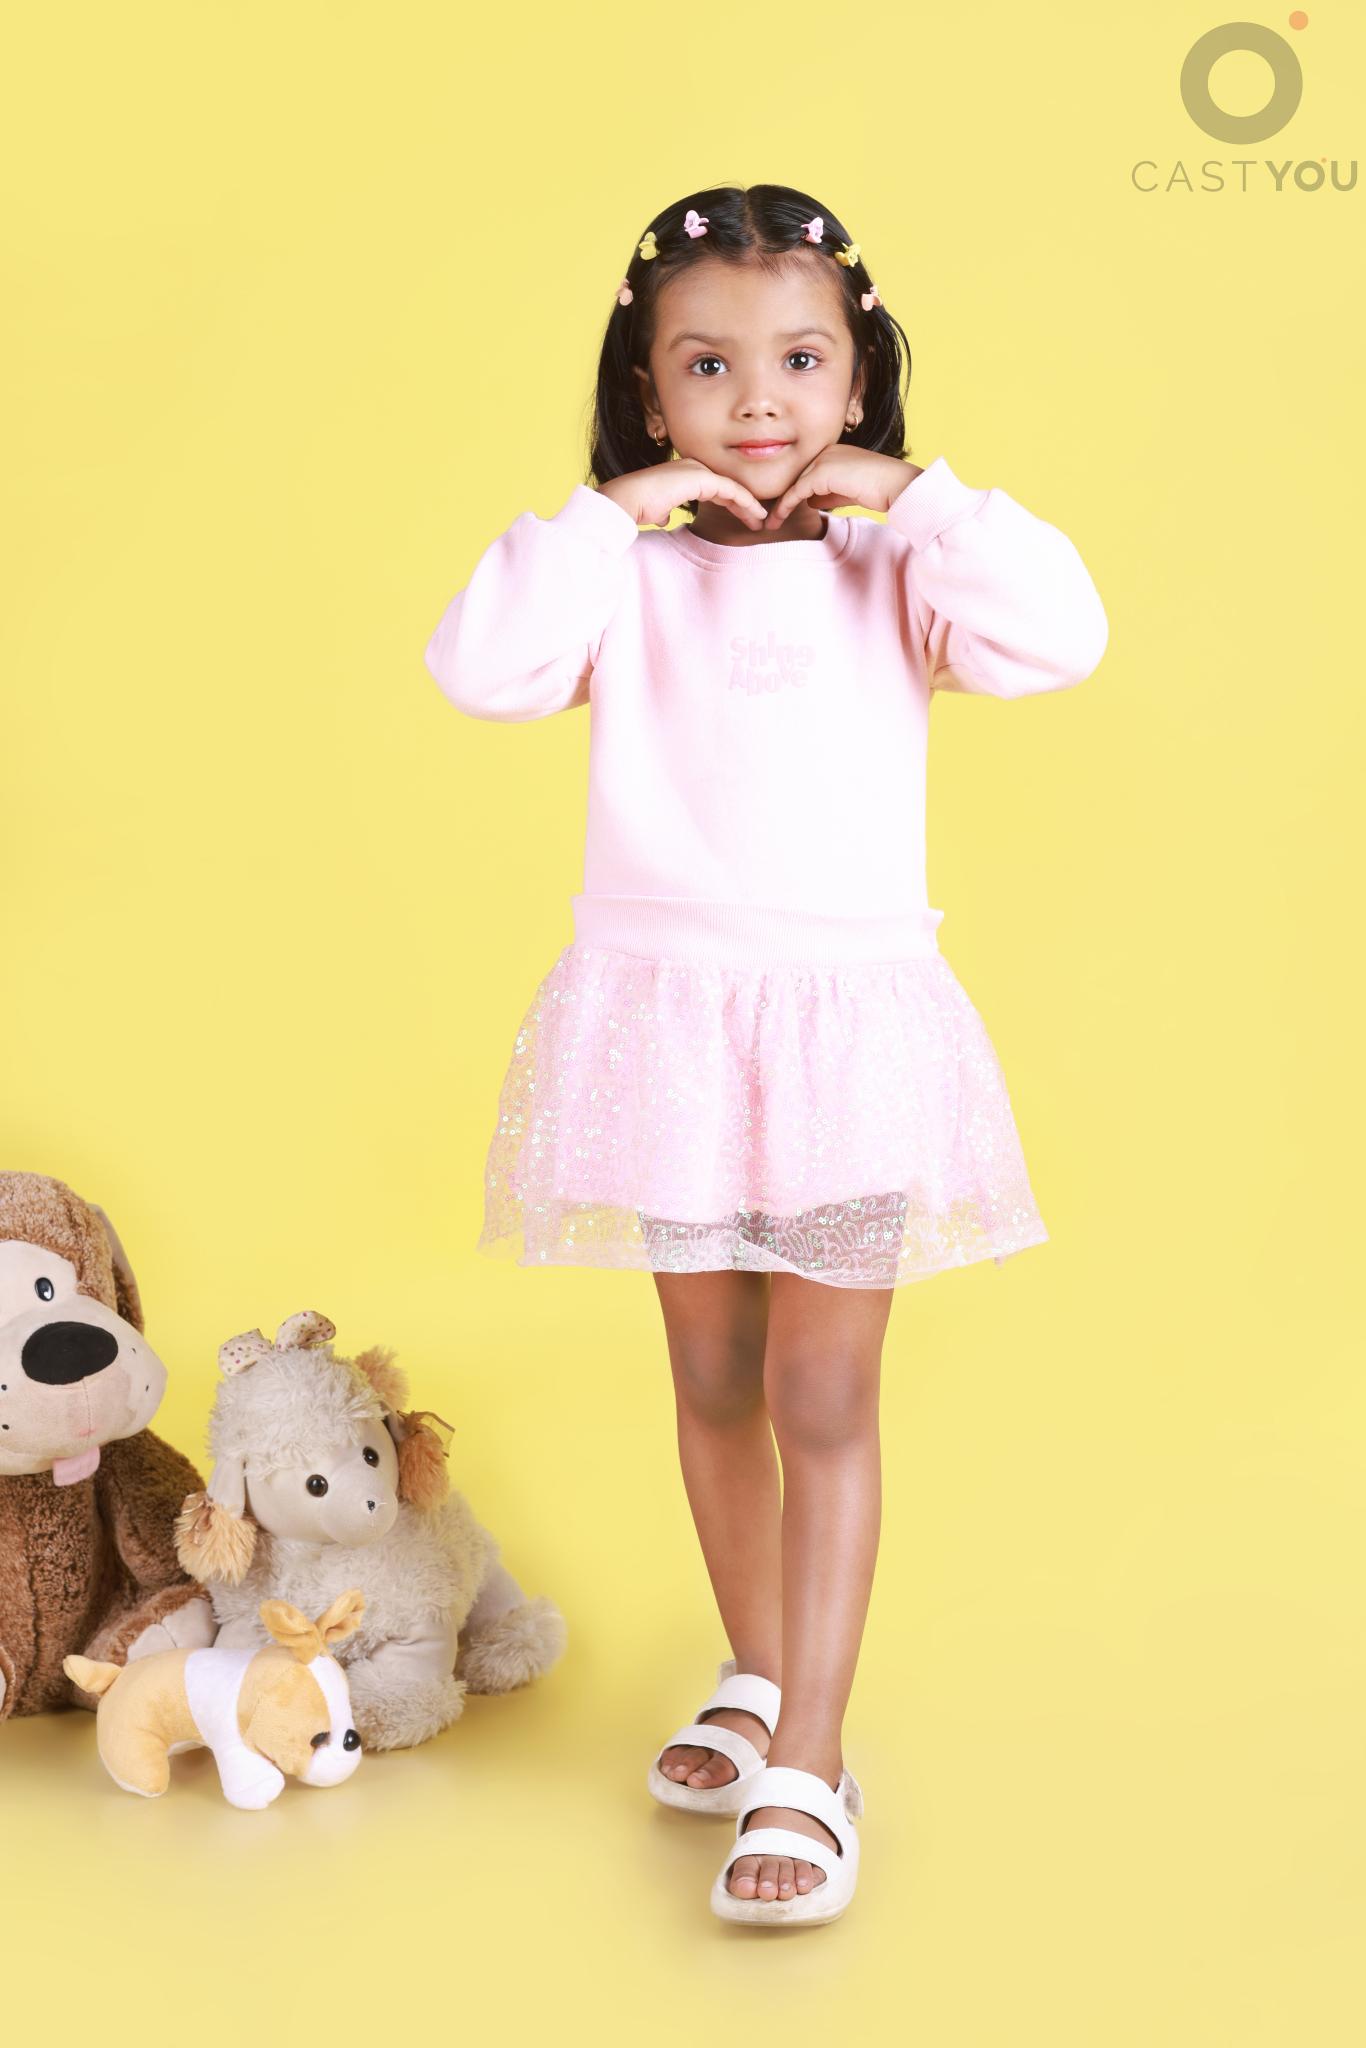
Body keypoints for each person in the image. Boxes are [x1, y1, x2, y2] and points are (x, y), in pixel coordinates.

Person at [422, 183, 1108, 1928]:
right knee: (715, 1375)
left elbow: (1061, 634)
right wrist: (608, 513)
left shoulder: (900, 568)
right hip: (664, 1026)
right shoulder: (626, 576)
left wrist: (916, 492)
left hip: (842, 1034)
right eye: (707, 366)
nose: (757, 400)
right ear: (648, 391)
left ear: (857, 380)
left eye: (801, 361)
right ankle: (758, 1667)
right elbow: (481, 669)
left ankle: (812, 1753)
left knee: (822, 1393)